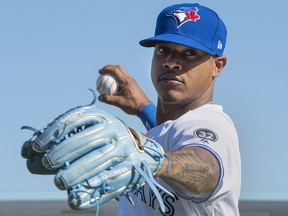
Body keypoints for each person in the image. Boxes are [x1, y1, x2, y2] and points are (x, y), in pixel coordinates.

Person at [98, 3, 241, 216]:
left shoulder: (210, 124)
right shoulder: (171, 132)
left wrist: (148, 156)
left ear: (217, 66)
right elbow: (170, 134)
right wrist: (143, 109)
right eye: (163, 50)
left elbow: (206, 170)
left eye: (190, 53)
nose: (171, 63)